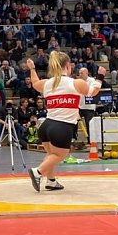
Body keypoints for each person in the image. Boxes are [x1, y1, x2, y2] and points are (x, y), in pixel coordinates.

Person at [25, 51, 102, 192]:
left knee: (51, 155)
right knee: (60, 154)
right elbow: (93, 92)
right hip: (62, 126)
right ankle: (38, 172)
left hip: (46, 126)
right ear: (68, 65)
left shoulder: (47, 83)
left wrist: (32, 69)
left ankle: (51, 181)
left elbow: (35, 83)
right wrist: (100, 77)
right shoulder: (76, 83)